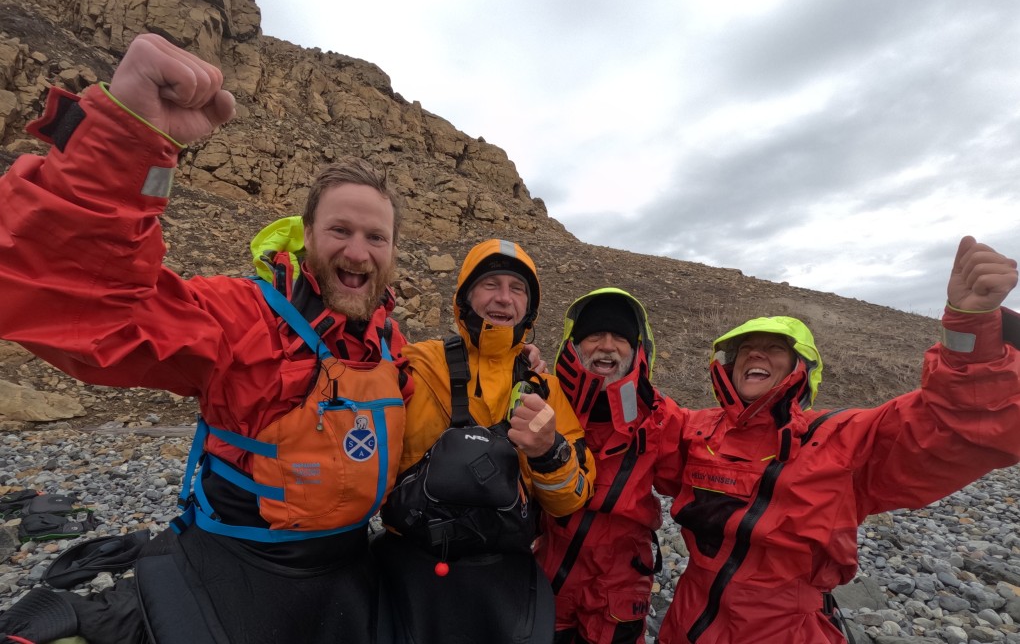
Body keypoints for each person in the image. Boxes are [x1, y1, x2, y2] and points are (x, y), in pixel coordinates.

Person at [0, 33, 412, 643]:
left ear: (393, 252)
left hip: (348, 573)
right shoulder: (243, 315)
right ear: (303, 235)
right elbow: (77, 302)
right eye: (341, 231)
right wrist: (131, 136)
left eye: (376, 238)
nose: (358, 252)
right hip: (236, 570)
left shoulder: (391, 345)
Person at [656, 236, 1020, 644]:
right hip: (683, 623)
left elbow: (961, 426)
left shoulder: (841, 438)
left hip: (784, 630)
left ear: (801, 370)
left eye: (775, 349)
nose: (755, 355)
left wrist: (971, 330)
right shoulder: (696, 430)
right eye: (746, 349)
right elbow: (632, 429)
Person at [375, 238, 597, 644]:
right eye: (490, 284)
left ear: (528, 309)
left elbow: (571, 498)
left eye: (517, 289)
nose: (504, 298)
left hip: (502, 575)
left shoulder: (543, 387)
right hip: (409, 565)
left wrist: (549, 452)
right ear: (465, 297)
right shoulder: (418, 363)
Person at [533, 288, 684, 644]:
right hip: (548, 574)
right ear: (573, 346)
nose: (607, 345)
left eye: (619, 337)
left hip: (619, 586)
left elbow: (698, 467)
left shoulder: (661, 416)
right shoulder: (547, 398)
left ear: (636, 350)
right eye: (594, 335)